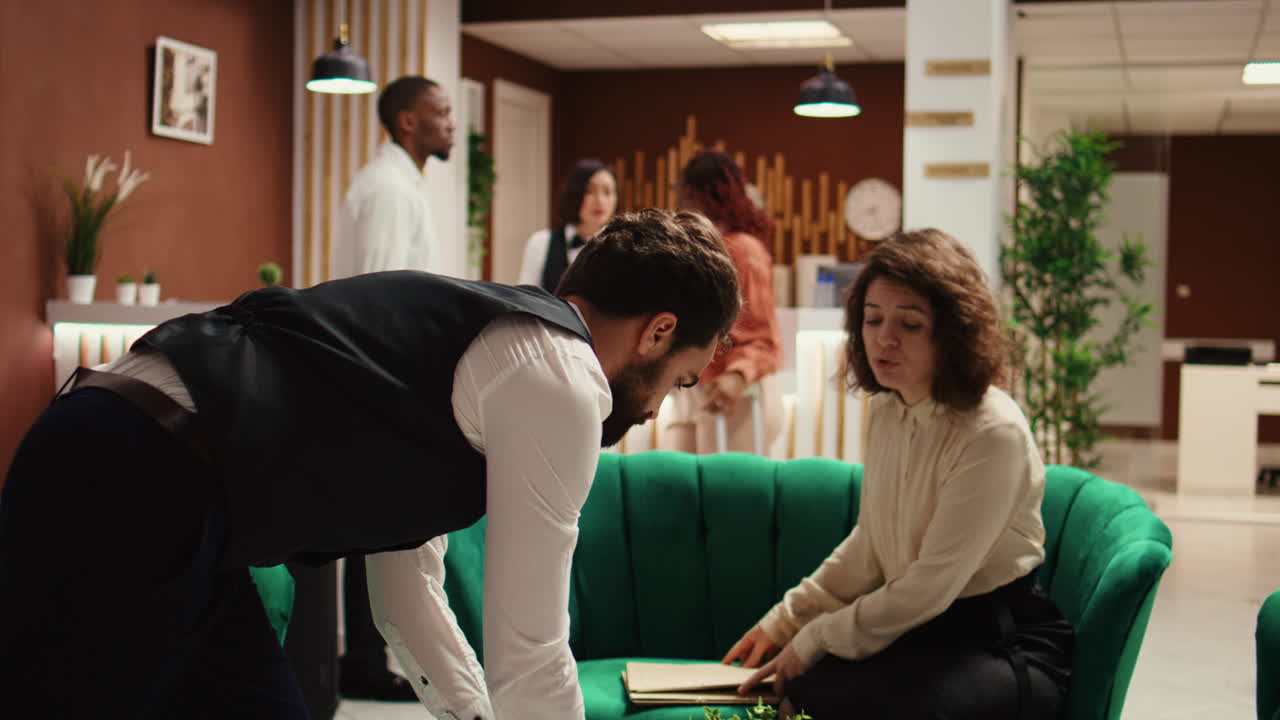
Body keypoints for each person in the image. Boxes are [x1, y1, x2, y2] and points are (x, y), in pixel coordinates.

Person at [0, 209, 741, 720]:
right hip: (127, 473)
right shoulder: (561, 379)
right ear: (658, 331)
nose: (660, 408)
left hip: (177, 489)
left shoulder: (496, 355)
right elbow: (533, 652)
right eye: (681, 379)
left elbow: (406, 590)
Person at [725, 229, 1074, 719]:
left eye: (909, 324)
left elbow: (928, 586)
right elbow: (870, 544)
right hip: (923, 629)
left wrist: (817, 636)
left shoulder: (993, 432)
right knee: (800, 697)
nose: (883, 339)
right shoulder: (890, 409)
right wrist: (784, 621)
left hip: (999, 640)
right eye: (872, 319)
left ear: (954, 332)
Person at [667, 151, 783, 455]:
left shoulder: (744, 249)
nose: (680, 201)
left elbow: (762, 335)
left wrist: (737, 376)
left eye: (686, 192)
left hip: (736, 395)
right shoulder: (696, 247)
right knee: (683, 492)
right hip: (696, 390)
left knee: (729, 498)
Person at [333, 75, 454, 278]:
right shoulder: (390, 188)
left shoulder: (400, 183)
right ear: (408, 122)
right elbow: (379, 293)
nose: (452, 126)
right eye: (442, 114)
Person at [517, 159, 617, 292]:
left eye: (607, 192)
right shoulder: (541, 242)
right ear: (574, 194)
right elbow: (525, 298)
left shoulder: (622, 246)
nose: (600, 200)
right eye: (589, 191)